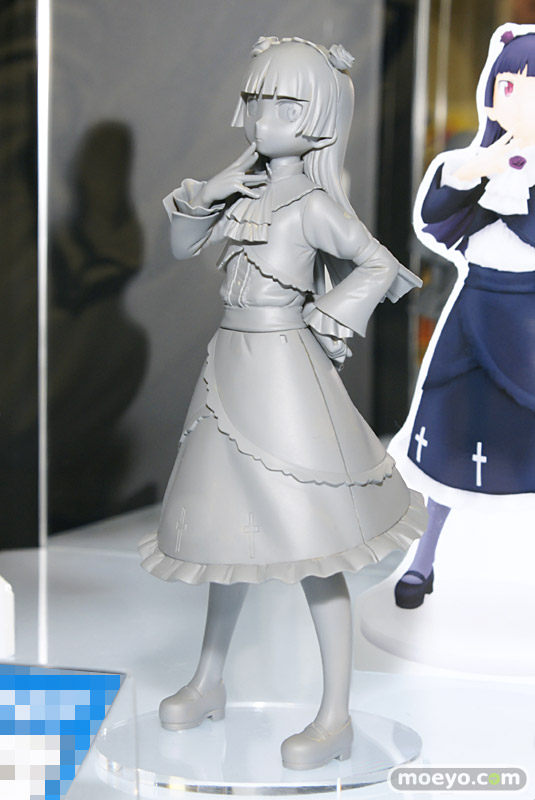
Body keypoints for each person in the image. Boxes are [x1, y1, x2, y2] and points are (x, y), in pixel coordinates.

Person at [140, 36, 425, 770]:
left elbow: (378, 264)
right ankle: (208, 680)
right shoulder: (243, 188)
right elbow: (180, 246)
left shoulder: (313, 204)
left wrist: (330, 316)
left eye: (284, 103)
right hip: (228, 368)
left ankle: (334, 717)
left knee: (313, 542)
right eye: (256, 99)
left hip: (284, 375)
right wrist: (207, 193)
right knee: (221, 536)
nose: (264, 116)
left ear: (319, 118)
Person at [393, 24, 535, 609]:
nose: (518, 99)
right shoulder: (476, 161)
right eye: (510, 86)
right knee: (453, 439)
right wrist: (475, 172)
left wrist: (516, 189)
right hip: (474, 311)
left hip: (529, 319)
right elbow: (435, 221)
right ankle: (423, 558)